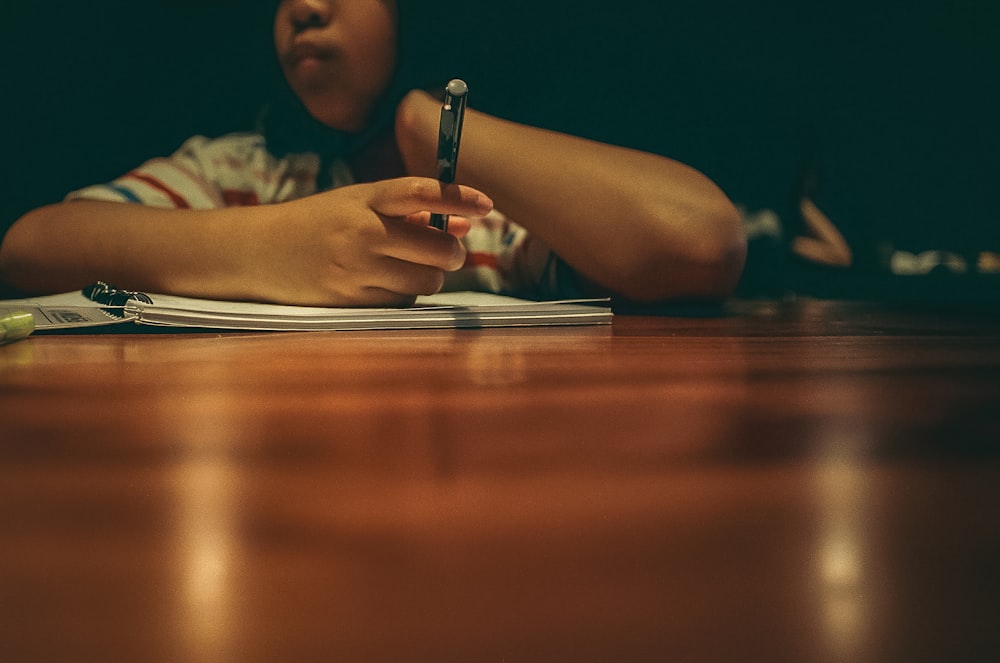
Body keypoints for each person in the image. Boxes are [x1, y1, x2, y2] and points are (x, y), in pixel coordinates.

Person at [0, 0, 746, 307]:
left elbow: (703, 241)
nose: (303, 8)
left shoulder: (489, 205)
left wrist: (427, 123)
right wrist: (274, 245)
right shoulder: (244, 171)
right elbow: (30, 248)